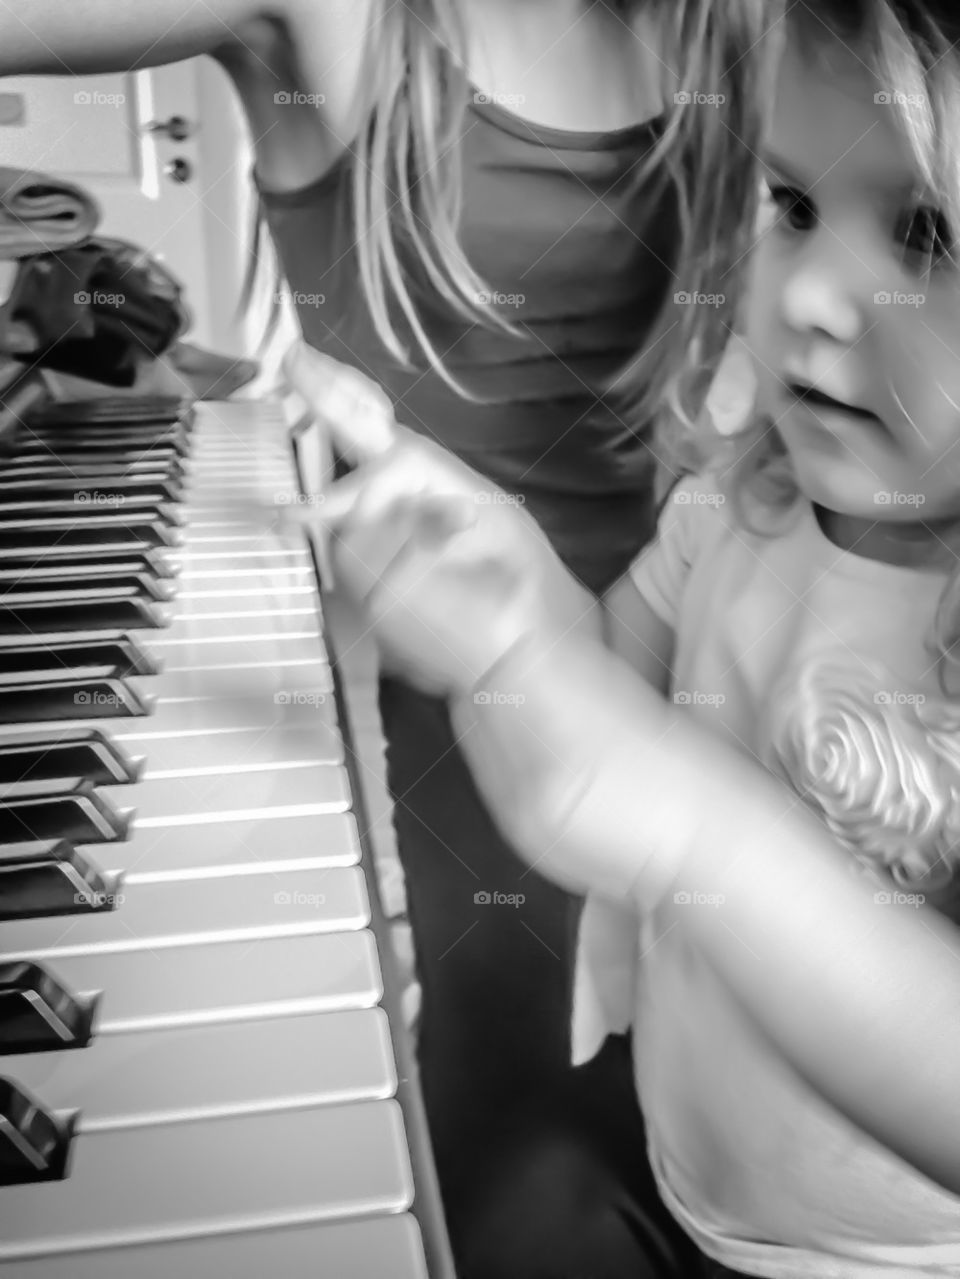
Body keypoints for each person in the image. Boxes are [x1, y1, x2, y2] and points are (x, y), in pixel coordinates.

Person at [0, 0, 779, 1202]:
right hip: (484, 689)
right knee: (525, 1143)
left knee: (750, 1128)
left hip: (727, 637)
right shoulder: (352, 20)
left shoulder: (741, 28)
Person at [319, 1, 960, 1273]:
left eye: (927, 232)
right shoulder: (741, 504)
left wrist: (696, 827)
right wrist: (504, 592)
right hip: (678, 1167)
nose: (813, 299)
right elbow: (607, 687)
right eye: (790, 203)